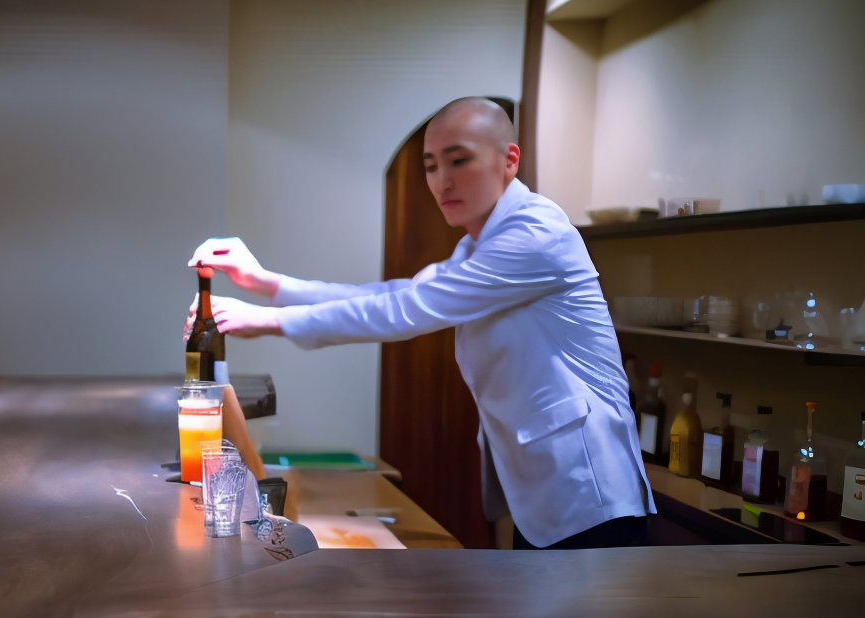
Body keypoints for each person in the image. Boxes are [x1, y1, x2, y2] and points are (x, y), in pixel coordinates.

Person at [187, 97, 656, 549]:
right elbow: (393, 296)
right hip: (549, 489)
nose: (442, 182)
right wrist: (268, 284)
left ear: (509, 160)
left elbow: (408, 310)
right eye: (431, 166)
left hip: (590, 492)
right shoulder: (477, 245)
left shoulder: (536, 233)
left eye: (459, 161)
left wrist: (270, 319)